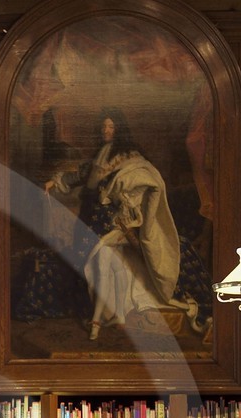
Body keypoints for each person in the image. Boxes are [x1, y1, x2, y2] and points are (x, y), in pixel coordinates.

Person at [44, 108, 206, 339]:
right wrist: (54, 181)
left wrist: (125, 208)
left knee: (104, 260)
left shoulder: (130, 157)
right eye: (103, 127)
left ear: (119, 129)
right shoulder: (101, 154)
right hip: (90, 218)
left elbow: (148, 183)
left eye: (110, 127)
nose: (106, 130)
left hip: (111, 221)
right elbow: (82, 174)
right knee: (82, 261)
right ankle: (98, 316)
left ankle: (101, 320)